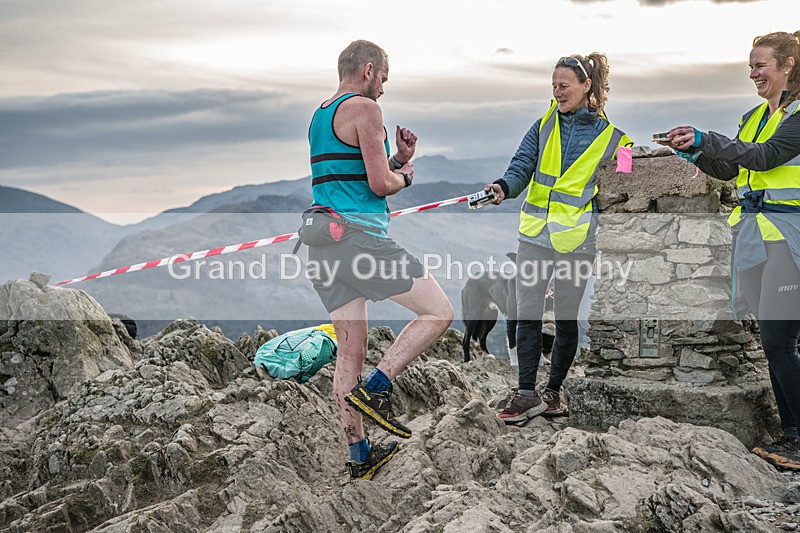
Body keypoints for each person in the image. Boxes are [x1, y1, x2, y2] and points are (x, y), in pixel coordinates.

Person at [307, 40, 453, 480]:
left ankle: (359, 455)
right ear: (369, 69)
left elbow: (354, 174)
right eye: (384, 79)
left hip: (322, 242)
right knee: (439, 312)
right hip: (361, 242)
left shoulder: (320, 114)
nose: (384, 90)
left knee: (349, 352)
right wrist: (405, 176)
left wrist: (396, 159)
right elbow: (378, 184)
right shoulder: (366, 110)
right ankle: (379, 386)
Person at [657, 30, 800, 471]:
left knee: (779, 342)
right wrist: (694, 150)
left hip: (790, 237)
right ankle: (792, 433)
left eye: (761, 65)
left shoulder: (798, 118)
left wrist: (707, 135)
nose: (753, 73)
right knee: (775, 343)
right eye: (750, 67)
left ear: (788, 65)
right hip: (756, 236)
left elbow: (766, 157)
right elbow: (730, 166)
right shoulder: (754, 116)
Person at [484, 53, 631, 423]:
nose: (557, 92)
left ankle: (552, 393)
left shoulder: (616, 139)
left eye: (564, 86)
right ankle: (525, 393)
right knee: (525, 313)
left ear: (587, 87)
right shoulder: (542, 126)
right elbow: (520, 167)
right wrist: (503, 187)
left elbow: (629, 182)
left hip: (577, 242)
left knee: (566, 320)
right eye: (553, 85)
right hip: (534, 236)